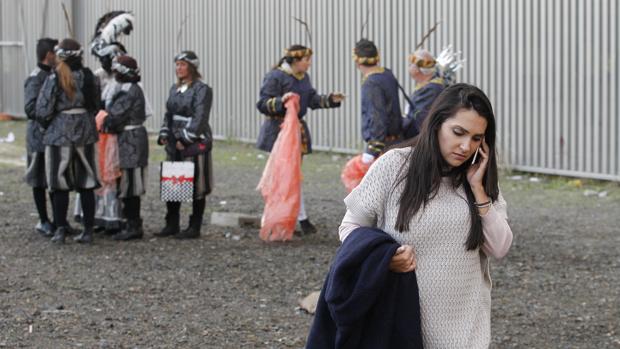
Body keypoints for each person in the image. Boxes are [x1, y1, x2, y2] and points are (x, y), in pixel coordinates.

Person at [338, 83, 513, 348]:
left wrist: (478, 190)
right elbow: (350, 225)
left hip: (464, 329)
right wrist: (384, 258)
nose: (466, 146)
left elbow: (499, 248)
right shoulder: (395, 165)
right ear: (437, 123)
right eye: (458, 132)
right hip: (400, 321)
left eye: (477, 138)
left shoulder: (479, 182)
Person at [256, 44, 344, 234]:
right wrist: (282, 102)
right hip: (278, 131)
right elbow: (262, 103)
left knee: (293, 176)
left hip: (296, 131)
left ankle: (294, 216)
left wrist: (330, 100)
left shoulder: (304, 78)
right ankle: (280, 217)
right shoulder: (275, 76)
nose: (309, 64)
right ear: (295, 61)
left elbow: (311, 100)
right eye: (307, 60)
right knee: (281, 176)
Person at [36, 38, 101, 244]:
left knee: (59, 181)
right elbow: (96, 105)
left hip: (59, 133)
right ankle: (88, 230)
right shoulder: (89, 77)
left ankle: (61, 228)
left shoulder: (54, 78)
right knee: (87, 181)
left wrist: (46, 125)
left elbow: (43, 108)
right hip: (85, 132)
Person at [156, 51, 213, 239]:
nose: (179, 68)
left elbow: (200, 117)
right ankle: (172, 223)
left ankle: (194, 226)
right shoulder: (175, 89)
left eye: (182, 64)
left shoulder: (202, 89)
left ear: (192, 67)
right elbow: (168, 114)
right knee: (174, 181)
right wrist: (165, 133)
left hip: (194, 140)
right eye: (177, 64)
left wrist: (186, 139)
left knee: (197, 182)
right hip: (174, 138)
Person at [101, 55, 148, 240]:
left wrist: (105, 119)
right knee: (125, 182)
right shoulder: (125, 88)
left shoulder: (130, 91)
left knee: (131, 184)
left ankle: (134, 225)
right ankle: (128, 221)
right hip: (126, 139)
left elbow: (114, 116)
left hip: (132, 140)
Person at [24, 38, 58, 237]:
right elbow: (29, 108)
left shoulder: (55, 75)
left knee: (54, 178)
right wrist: (48, 114)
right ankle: (43, 220)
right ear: (49, 55)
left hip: (53, 137)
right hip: (38, 137)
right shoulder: (35, 78)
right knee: (39, 179)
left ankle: (58, 219)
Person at [352, 39, 403, 165]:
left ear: (357, 62)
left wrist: (372, 150)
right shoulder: (387, 74)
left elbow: (377, 116)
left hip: (384, 146)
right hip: (397, 140)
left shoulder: (371, 83)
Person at [402, 49, 447, 139]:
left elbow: (418, 117)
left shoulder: (431, 90)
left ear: (417, 70)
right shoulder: (427, 86)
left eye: (411, 64)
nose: (409, 67)